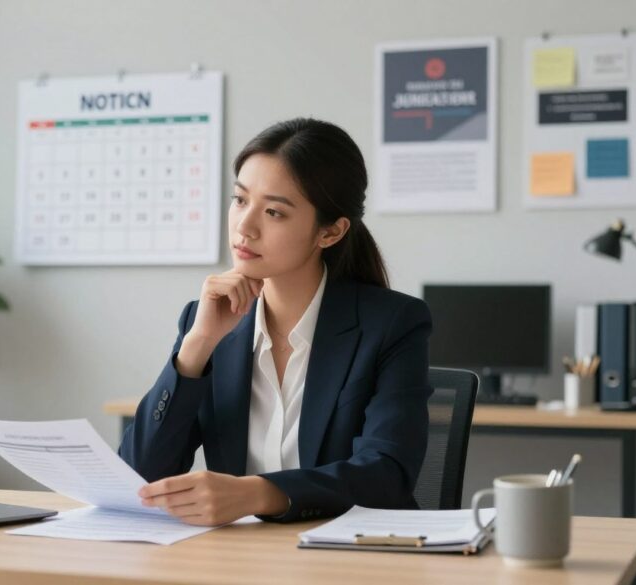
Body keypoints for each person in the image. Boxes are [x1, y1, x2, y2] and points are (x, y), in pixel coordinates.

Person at [119, 117, 433, 526]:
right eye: (239, 200)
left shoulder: (392, 324)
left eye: (273, 211)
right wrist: (196, 348)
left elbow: (386, 475)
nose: (244, 227)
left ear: (331, 232)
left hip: (349, 557)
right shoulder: (206, 321)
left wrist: (259, 493)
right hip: (241, 558)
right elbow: (138, 477)